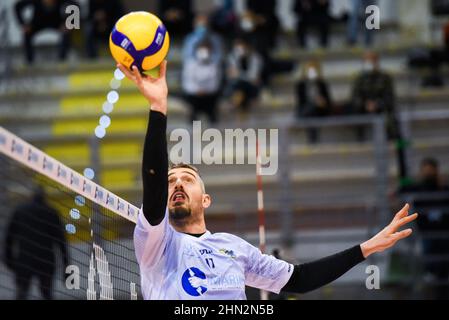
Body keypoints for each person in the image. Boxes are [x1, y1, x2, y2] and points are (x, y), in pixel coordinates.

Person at [117, 60, 418, 300]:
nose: (178, 184)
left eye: (188, 179)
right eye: (171, 181)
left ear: (206, 199)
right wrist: (158, 109)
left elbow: (299, 279)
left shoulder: (233, 247)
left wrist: (365, 249)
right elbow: (153, 187)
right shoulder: (156, 241)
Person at [4, 187, 69, 300]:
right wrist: (66, 264)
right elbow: (61, 241)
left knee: (22, 293)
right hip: (46, 261)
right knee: (46, 293)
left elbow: (9, 237)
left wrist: (9, 260)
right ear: (44, 197)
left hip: (24, 260)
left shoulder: (20, 211)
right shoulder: (52, 212)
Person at [399, 158, 449, 299]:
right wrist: (400, 148)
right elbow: (402, 185)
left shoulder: (443, 189)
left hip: (443, 235)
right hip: (427, 235)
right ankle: (432, 278)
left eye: (431, 171)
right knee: (432, 264)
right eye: (425, 171)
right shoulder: (419, 188)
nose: (428, 174)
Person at [351, 51, 397, 142]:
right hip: (364, 108)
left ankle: (394, 141)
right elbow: (355, 96)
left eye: (371, 61)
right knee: (353, 110)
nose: (369, 63)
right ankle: (360, 140)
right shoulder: (359, 78)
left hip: (381, 107)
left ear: (376, 62)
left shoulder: (385, 77)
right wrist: (365, 104)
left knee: (391, 115)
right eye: (366, 61)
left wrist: (377, 104)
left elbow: (389, 97)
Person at [14, 0, 76, 64]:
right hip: (38, 22)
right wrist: (23, 24)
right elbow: (18, 6)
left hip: (55, 21)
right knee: (27, 34)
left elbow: (75, 6)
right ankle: (29, 61)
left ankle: (62, 60)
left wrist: (70, 23)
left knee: (67, 32)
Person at [181, 38, 223, 124]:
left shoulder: (214, 65)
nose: (204, 52)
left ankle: (211, 118)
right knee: (193, 106)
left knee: (212, 109)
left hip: (209, 95)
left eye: (207, 49)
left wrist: (205, 90)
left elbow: (215, 83)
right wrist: (197, 90)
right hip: (194, 95)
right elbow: (187, 82)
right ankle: (193, 116)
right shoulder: (190, 64)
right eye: (202, 49)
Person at [295, 61, 332, 144]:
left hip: (320, 111)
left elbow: (329, 101)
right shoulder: (301, 85)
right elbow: (300, 102)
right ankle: (313, 141)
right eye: (309, 70)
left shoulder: (322, 84)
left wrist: (322, 102)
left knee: (313, 111)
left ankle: (312, 141)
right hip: (305, 110)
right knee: (311, 110)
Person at [226, 38, 263, 120]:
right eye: (238, 47)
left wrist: (239, 74)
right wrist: (245, 76)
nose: (240, 50)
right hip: (237, 85)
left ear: (248, 47)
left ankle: (235, 104)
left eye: (243, 47)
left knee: (242, 88)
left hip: (251, 86)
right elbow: (232, 75)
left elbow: (254, 77)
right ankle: (238, 105)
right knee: (238, 87)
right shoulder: (232, 57)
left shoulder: (256, 58)